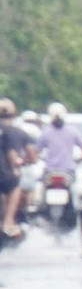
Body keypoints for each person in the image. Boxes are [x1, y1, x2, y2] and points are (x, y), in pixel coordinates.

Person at [0, 99, 32, 237]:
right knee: (15, 186)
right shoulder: (14, 131)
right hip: (5, 174)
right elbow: (12, 155)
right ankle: (8, 221)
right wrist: (17, 166)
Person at [36, 103, 82, 177]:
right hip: (69, 170)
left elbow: (36, 151)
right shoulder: (73, 131)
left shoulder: (46, 132)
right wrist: (81, 158)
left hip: (50, 171)